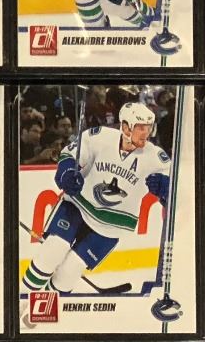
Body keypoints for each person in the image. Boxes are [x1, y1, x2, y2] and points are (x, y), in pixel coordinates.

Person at [21, 99, 171, 301]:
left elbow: (174, 187)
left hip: (112, 225)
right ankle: (20, 300)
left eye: (149, 127)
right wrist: (67, 172)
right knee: (53, 250)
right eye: (140, 127)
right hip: (78, 205)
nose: (146, 133)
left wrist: (165, 189)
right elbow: (69, 155)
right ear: (126, 127)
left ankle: (47, 307)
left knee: (69, 273)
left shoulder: (155, 157)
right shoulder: (100, 137)